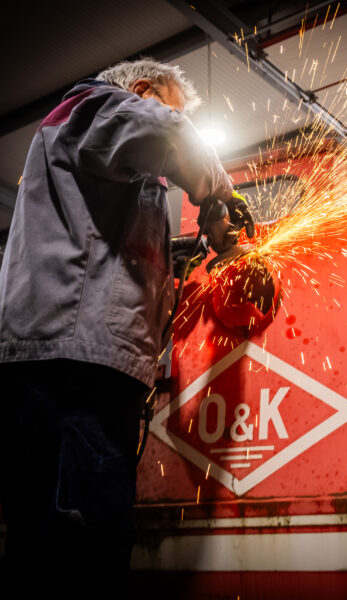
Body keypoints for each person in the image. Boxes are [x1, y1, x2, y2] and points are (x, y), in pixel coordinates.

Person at [0, 58, 253, 590]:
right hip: (76, 366)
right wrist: (220, 194)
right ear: (141, 91)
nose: (179, 121)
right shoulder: (94, 106)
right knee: (85, 542)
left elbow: (120, 253)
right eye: (172, 107)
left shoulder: (101, 156)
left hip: (73, 358)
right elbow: (167, 132)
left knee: (48, 538)